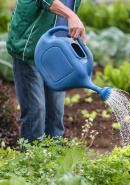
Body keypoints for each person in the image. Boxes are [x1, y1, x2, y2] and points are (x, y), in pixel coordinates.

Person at [6, 0, 86, 144]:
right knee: (35, 112)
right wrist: (70, 16)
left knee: (55, 114)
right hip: (30, 46)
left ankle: (53, 162)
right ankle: (32, 163)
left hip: (58, 52)